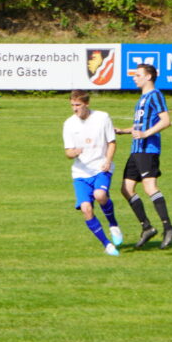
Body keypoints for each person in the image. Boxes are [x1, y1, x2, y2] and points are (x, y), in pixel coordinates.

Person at [114, 63, 172, 249]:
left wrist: (146, 134)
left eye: (138, 75)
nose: (134, 78)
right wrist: (124, 131)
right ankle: (147, 227)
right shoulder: (142, 98)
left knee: (150, 187)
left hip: (148, 149)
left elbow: (166, 121)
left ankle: (168, 227)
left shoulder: (155, 95)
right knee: (126, 189)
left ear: (148, 77)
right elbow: (139, 126)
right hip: (136, 149)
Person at [63, 90, 122, 255]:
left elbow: (112, 142)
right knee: (86, 209)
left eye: (78, 105)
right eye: (72, 105)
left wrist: (108, 161)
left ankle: (113, 225)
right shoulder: (69, 124)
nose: (75, 108)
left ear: (87, 104)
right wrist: (74, 152)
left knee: (100, 195)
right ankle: (107, 245)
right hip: (80, 173)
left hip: (101, 167)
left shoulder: (102, 117)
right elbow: (68, 152)